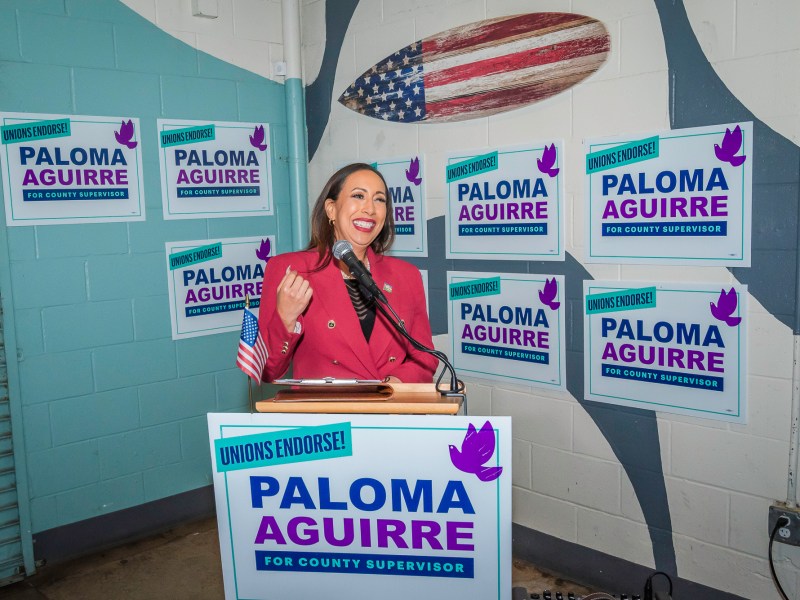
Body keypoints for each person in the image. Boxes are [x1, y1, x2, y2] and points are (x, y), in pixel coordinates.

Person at [257, 163, 438, 383]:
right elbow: (269, 370)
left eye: (379, 199)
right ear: (331, 209)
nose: (370, 208)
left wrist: (396, 383)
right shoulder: (291, 271)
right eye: (358, 196)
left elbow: (425, 357)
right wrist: (285, 319)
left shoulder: (406, 275)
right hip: (327, 414)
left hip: (389, 410)